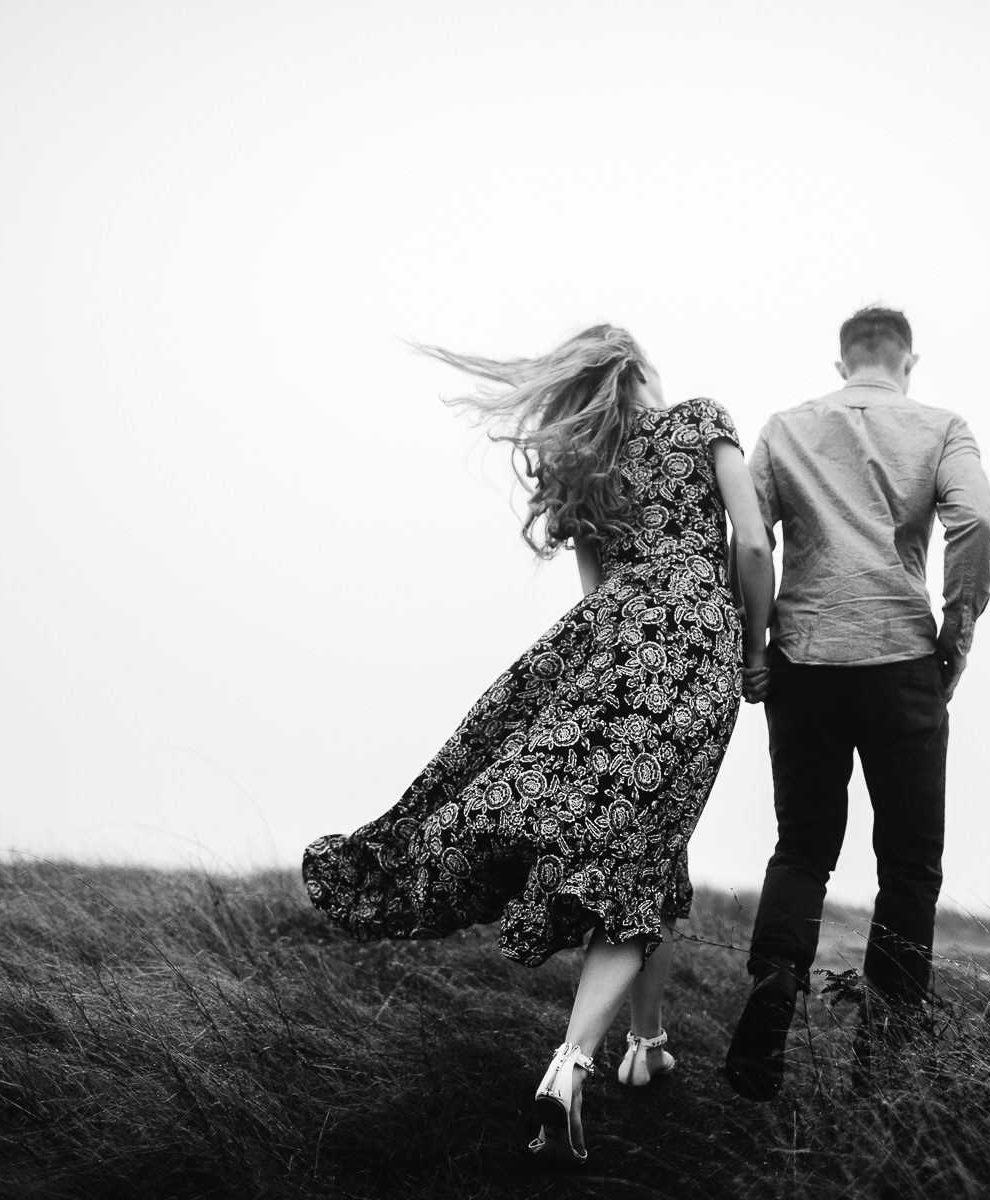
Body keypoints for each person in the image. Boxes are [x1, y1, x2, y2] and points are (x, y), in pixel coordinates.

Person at [302, 325, 773, 1162]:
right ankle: (574, 1062)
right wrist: (753, 651)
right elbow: (751, 543)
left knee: (635, 849)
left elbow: (598, 595)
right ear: (641, 372)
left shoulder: (582, 472)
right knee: (647, 848)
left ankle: (645, 1043)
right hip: (698, 650)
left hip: (608, 649)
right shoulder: (702, 422)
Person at [722, 306, 990, 1102]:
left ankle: (774, 991)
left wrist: (756, 641)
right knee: (909, 863)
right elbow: (975, 517)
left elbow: (745, 539)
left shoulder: (786, 427)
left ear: (842, 362)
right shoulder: (943, 427)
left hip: (804, 662)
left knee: (803, 847)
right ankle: (882, 1061)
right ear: (909, 361)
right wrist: (960, 624)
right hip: (901, 661)